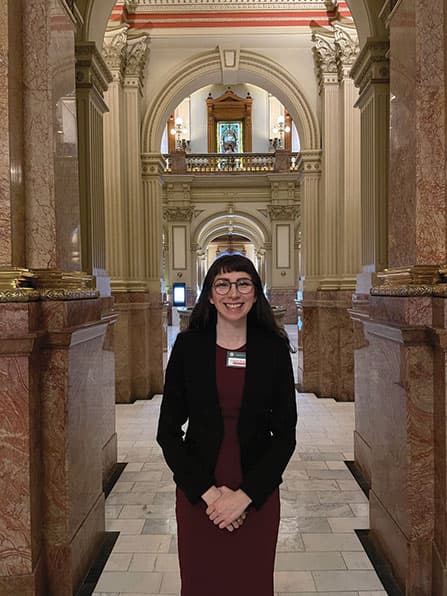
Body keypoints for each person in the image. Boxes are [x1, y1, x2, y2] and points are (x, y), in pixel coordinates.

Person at [157, 254, 297, 596]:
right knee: (201, 582)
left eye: (243, 283)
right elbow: (168, 433)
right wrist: (210, 495)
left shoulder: (273, 348)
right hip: (199, 492)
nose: (233, 293)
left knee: (252, 582)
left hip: (257, 491)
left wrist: (245, 496)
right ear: (209, 294)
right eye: (222, 283)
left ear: (255, 292)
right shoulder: (188, 347)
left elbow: (285, 435)